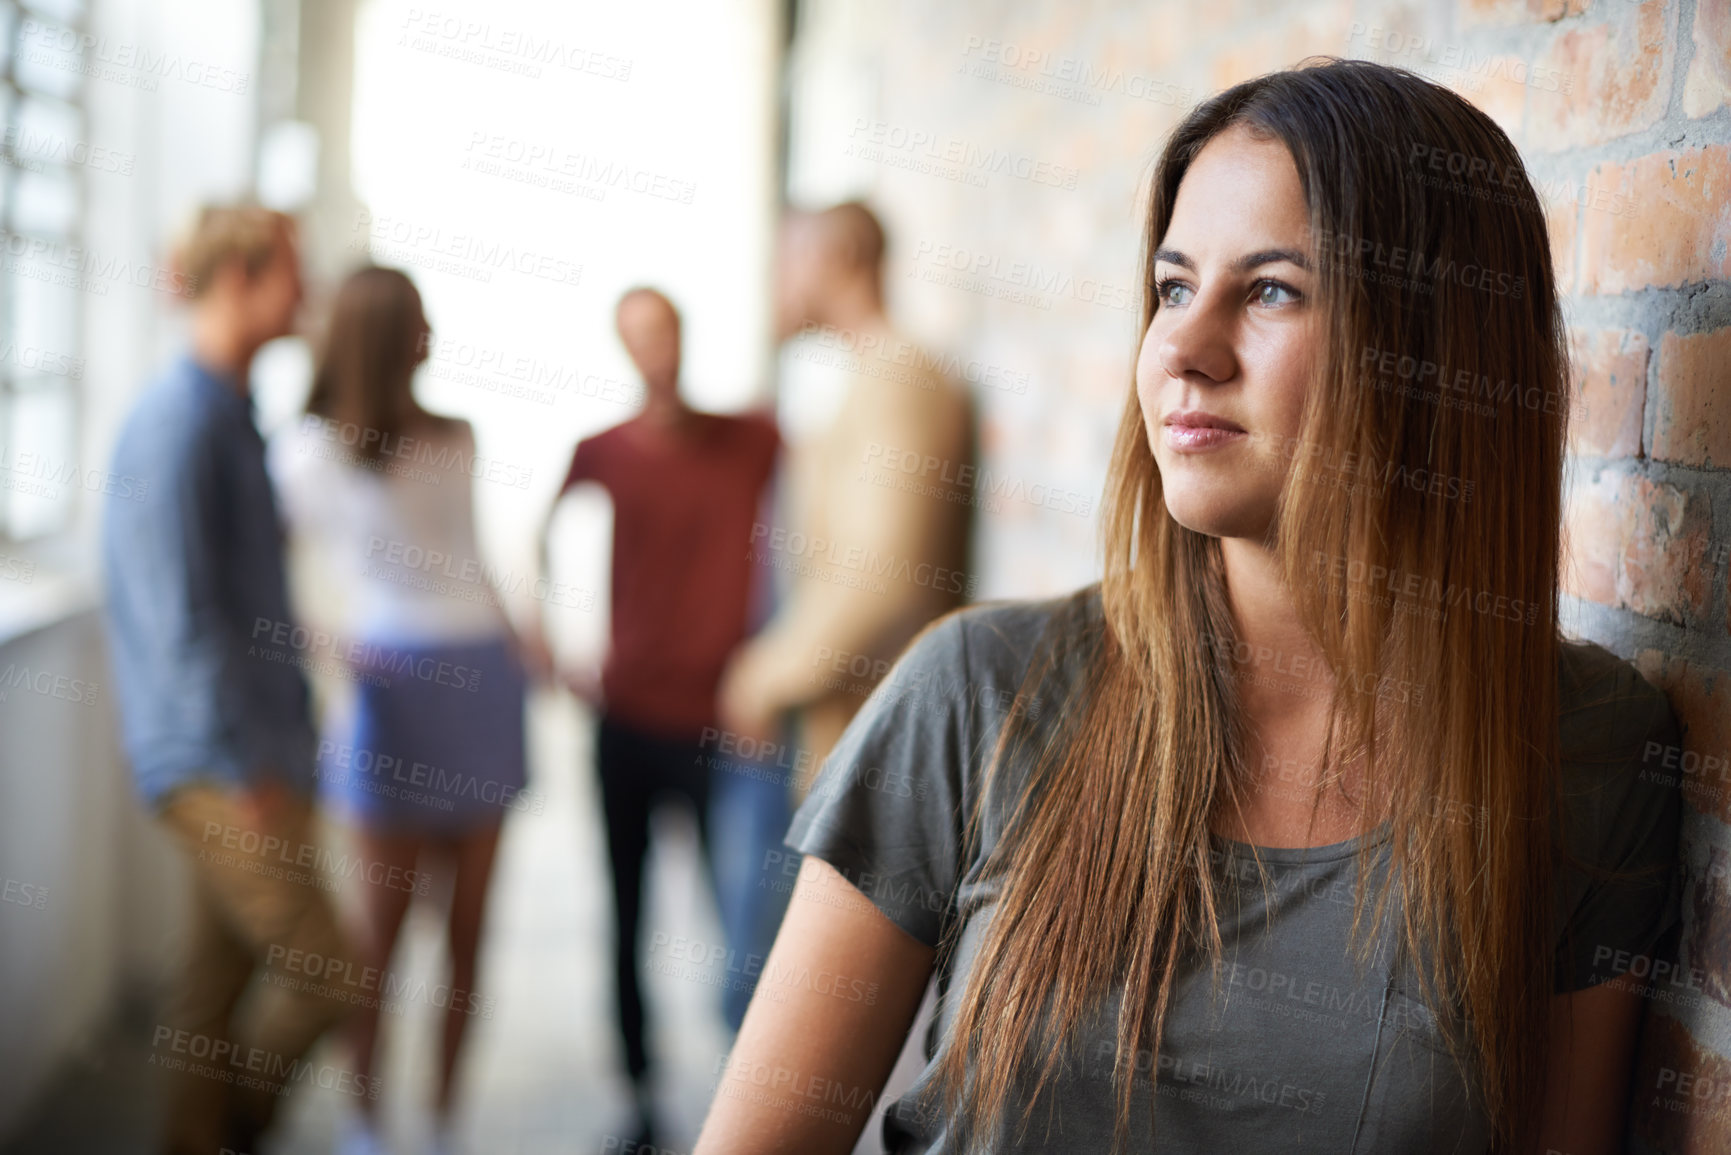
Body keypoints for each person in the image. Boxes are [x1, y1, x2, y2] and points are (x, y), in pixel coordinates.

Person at [695, 60, 1684, 1155]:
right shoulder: (976, 695)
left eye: (1270, 290)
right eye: (1172, 288)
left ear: (1435, 347)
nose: (1183, 349)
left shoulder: (1587, 749)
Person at [101, 204, 360, 1155]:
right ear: (241, 279)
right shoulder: (177, 424)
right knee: (331, 976)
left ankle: (197, 1135)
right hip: (223, 766)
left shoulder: (230, 413)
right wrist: (243, 764)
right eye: (293, 271)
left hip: (257, 752)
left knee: (208, 1003)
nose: (308, 291)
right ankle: (235, 1131)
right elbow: (178, 622)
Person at [269, 266, 535, 1155]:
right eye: (417, 324)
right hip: (388, 691)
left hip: (482, 680)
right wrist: (327, 642)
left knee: (468, 937)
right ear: (381, 338)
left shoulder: (457, 437)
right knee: (374, 944)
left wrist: (524, 646)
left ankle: (443, 1124)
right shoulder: (306, 450)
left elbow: (474, 561)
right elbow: (257, 583)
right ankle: (366, 1122)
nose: (432, 337)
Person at [540, 286, 780, 1147]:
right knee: (627, 911)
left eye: (665, 330)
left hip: (722, 726)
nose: (655, 348)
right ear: (621, 346)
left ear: (682, 337)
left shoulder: (752, 438)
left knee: (741, 916)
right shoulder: (600, 451)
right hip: (627, 721)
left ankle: (748, 1101)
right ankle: (639, 1100)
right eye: (637, 335)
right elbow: (542, 537)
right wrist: (549, 644)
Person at [717, 202, 975, 796]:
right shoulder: (870, 376)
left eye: (788, 258)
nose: (775, 280)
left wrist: (763, 676)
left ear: (840, 257)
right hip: (856, 744)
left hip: (880, 755)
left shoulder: (898, 378)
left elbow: (883, 575)